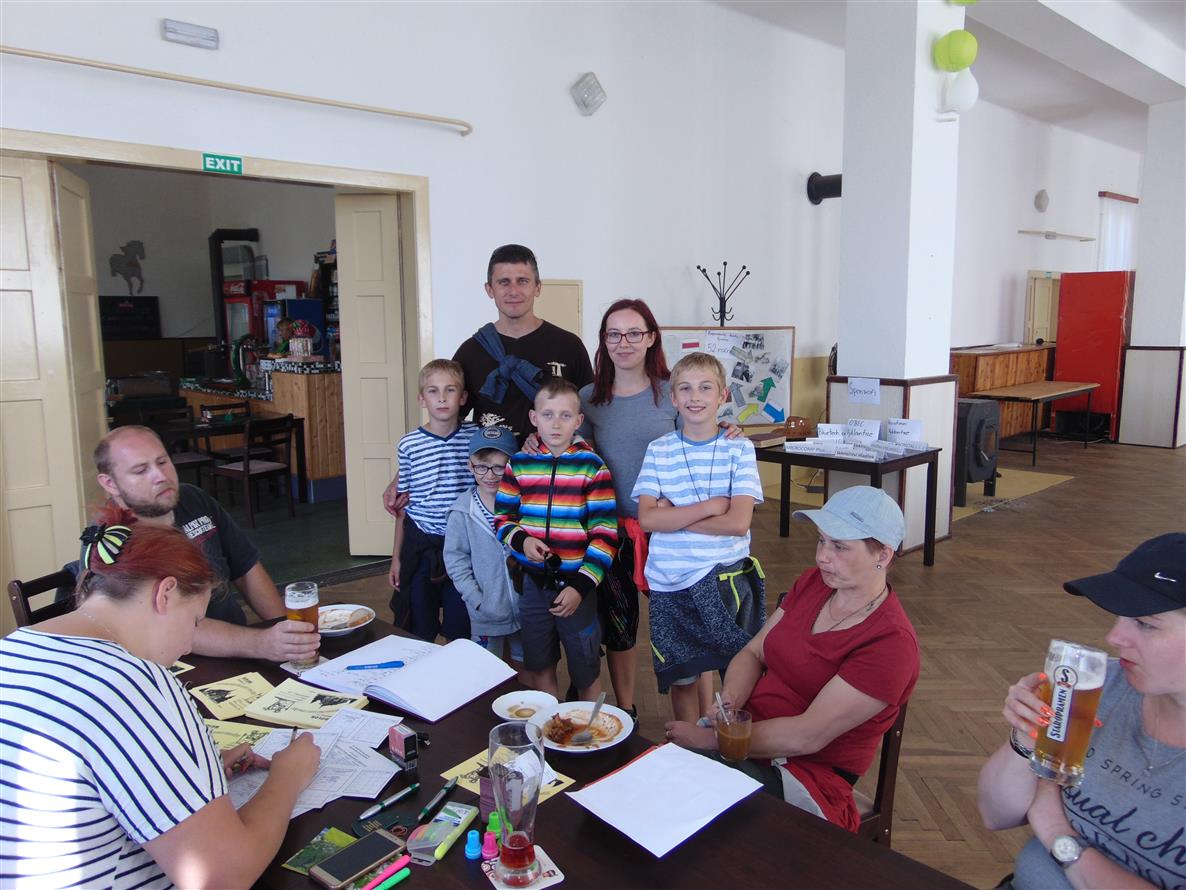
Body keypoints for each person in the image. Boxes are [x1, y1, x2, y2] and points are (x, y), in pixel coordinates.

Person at [0, 504, 321, 888]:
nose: (189, 643)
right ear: (165, 593)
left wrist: (187, 769)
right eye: (195, 621)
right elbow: (221, 877)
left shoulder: (14, 647)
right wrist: (287, 776)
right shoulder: (132, 685)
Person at [664, 485, 919, 832]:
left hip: (806, 775)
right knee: (670, 784)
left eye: (839, 546)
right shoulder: (815, 583)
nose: (822, 556)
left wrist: (713, 740)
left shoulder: (890, 644)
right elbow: (754, 651)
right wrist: (731, 702)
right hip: (748, 739)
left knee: (686, 799)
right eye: (821, 541)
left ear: (883, 555)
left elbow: (807, 736)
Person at [977, 533, 1186, 890]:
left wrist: (1056, 831)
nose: (1114, 637)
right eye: (1120, 617)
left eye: (1146, 623)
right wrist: (1026, 737)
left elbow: (1045, 814)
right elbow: (994, 815)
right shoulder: (1101, 685)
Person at [55, 425, 318, 664]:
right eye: (141, 470)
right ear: (109, 483)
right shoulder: (109, 541)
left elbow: (246, 567)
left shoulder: (193, 498)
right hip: (178, 663)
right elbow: (159, 622)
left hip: (243, 651)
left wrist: (287, 633)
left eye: (162, 461)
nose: (160, 476)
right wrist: (259, 643)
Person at [633, 352, 766, 723]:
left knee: (739, 671)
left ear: (722, 395)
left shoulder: (738, 447)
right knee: (682, 676)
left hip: (726, 580)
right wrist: (711, 506)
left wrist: (673, 516)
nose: (695, 397)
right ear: (673, 398)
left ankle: (728, 742)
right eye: (686, 389)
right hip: (670, 583)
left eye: (706, 388)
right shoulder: (659, 449)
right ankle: (688, 746)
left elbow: (738, 523)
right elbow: (647, 519)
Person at [574, 298, 675, 719]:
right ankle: (625, 709)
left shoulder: (673, 391)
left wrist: (727, 428)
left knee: (679, 620)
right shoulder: (588, 398)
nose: (624, 342)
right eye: (613, 334)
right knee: (620, 624)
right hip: (610, 531)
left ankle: (696, 716)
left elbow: (698, 445)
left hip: (666, 529)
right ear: (603, 340)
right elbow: (574, 457)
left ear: (651, 338)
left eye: (634, 333)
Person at [495, 378, 617, 699]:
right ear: (534, 418)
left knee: (586, 673)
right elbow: (503, 519)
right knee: (540, 667)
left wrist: (581, 586)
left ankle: (588, 730)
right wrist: (522, 541)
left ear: (579, 421)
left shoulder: (593, 467)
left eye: (565, 415)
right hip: (533, 586)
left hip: (577, 587)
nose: (556, 423)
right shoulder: (519, 464)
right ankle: (548, 726)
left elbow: (605, 535)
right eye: (547, 415)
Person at [389, 359, 476, 642]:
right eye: (433, 391)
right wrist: (396, 559)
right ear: (421, 399)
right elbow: (403, 507)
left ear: (462, 397)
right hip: (420, 546)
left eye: (450, 390)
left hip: (462, 547)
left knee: (461, 626)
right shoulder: (409, 445)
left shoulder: (475, 438)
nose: (441, 398)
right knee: (418, 626)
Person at [443, 424, 525, 677]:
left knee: (527, 668)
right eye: (482, 466)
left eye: (499, 467)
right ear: (470, 466)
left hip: (526, 610)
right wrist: (477, 600)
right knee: (487, 674)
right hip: (486, 613)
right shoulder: (462, 512)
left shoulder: (525, 505)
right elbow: (455, 560)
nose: (490, 475)